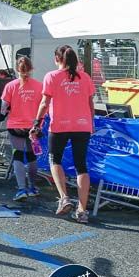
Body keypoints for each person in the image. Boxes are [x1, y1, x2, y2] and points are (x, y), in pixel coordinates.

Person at [33, 45, 95, 223]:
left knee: (55, 159)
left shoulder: (52, 76)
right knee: (81, 166)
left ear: (57, 59)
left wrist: (37, 122)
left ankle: (64, 198)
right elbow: (90, 102)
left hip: (60, 124)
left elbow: (45, 102)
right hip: (83, 125)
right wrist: (90, 123)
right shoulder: (85, 77)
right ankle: (82, 210)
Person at [1, 56, 43, 201]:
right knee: (32, 156)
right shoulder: (39, 86)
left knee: (18, 155)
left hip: (15, 126)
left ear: (17, 69)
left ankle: (21, 189)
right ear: (31, 68)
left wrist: (7, 111)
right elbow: (44, 106)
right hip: (34, 126)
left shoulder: (10, 86)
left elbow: (3, 108)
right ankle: (32, 187)